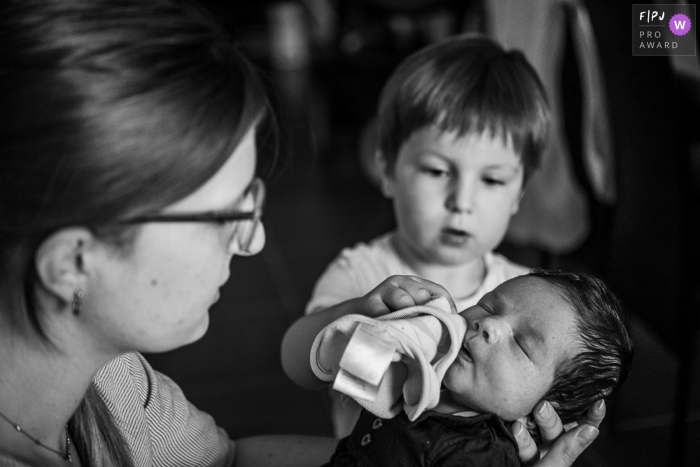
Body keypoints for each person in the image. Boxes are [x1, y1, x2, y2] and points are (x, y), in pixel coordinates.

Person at [0, 1, 603, 466]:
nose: (256, 239)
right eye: (224, 215)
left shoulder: (111, 379)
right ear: (72, 263)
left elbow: (224, 459)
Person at [283, 33, 555, 438]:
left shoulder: (527, 297)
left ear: (519, 194)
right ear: (388, 170)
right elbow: (300, 364)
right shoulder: (363, 275)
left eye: (493, 180)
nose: (462, 201)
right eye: (437, 171)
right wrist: (365, 316)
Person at [305, 271, 634, 467]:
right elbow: (341, 363)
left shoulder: (480, 454)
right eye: (490, 305)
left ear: (547, 409)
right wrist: (393, 332)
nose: (488, 324)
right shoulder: (423, 367)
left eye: (521, 344)